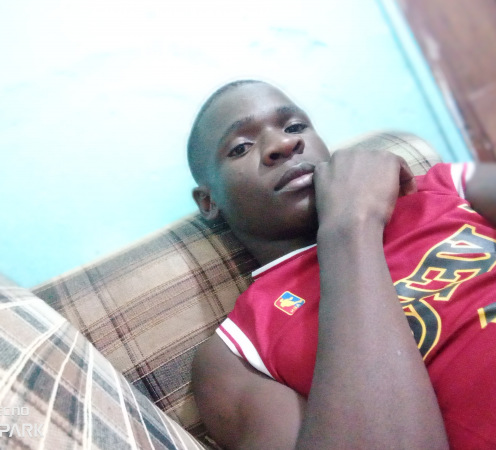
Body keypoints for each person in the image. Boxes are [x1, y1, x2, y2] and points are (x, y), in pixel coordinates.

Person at [187, 79, 496, 449]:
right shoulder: (235, 354)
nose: (284, 144)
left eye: (295, 127)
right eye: (241, 147)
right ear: (208, 202)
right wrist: (350, 225)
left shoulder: (440, 186)